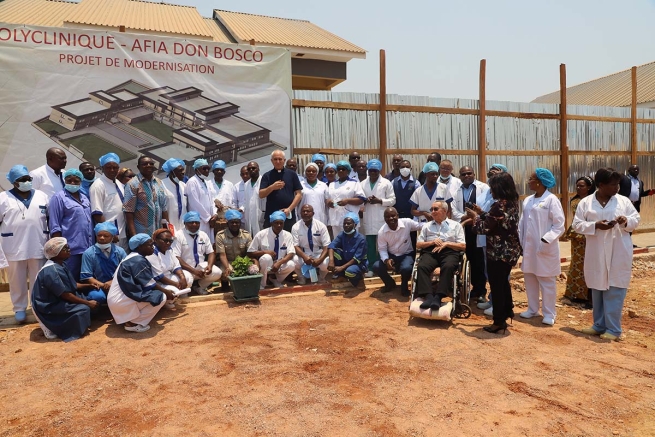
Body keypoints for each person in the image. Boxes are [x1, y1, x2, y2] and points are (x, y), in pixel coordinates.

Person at [573, 167, 640, 341]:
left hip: (618, 251)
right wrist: (595, 225)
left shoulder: (623, 201)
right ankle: (599, 325)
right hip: (596, 252)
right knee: (597, 289)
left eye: (618, 184)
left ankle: (614, 329)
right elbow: (577, 224)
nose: (617, 188)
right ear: (600, 185)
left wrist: (626, 221)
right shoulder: (586, 203)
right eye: (613, 184)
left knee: (615, 290)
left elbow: (636, 219)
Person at [467, 173, 522, 334]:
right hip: (510, 250)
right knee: (503, 282)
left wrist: (475, 217)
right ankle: (507, 310)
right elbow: (497, 221)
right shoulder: (512, 203)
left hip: (498, 252)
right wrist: (483, 213)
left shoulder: (499, 205)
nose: (490, 191)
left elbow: (482, 229)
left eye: (492, 187)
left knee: (497, 286)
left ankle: (499, 321)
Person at [0, 165, 49, 323]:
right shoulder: (3, 198)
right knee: (16, 280)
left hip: (38, 243)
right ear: (14, 182)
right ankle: (19, 308)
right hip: (14, 245)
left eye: (28, 179)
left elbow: (48, 218)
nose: (27, 182)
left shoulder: (41, 195)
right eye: (22, 180)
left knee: (38, 279)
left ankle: (37, 307)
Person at [519, 168, 565, 326]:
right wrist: (521, 242)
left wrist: (547, 239)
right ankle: (532, 309)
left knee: (546, 281)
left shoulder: (552, 200)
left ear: (539, 182)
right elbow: (522, 223)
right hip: (529, 248)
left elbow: (559, 225)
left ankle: (549, 313)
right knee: (530, 277)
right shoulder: (528, 200)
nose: (529, 181)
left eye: (531, 179)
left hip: (545, 247)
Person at [31, 238, 100, 341]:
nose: (69, 249)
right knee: (83, 309)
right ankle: (53, 328)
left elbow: (72, 284)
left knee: (89, 299)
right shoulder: (52, 270)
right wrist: (88, 303)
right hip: (48, 306)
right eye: (65, 248)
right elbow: (65, 294)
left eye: (68, 247)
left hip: (59, 299)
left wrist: (89, 286)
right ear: (56, 252)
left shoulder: (61, 264)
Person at [107, 234, 175, 333]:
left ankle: (127, 318)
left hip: (119, 299)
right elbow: (150, 285)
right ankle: (133, 323)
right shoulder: (137, 260)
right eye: (150, 245)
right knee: (161, 297)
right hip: (120, 300)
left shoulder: (132, 257)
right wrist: (167, 292)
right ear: (139, 247)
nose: (153, 247)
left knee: (156, 294)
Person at [415, 200, 466, 309]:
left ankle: (438, 297)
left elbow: (463, 246)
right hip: (431, 251)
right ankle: (428, 296)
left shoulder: (456, 225)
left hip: (449, 251)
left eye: (435, 209)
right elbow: (418, 244)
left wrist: (447, 243)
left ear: (445, 211)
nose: (432, 212)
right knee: (422, 266)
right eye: (431, 209)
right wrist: (431, 242)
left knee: (448, 267)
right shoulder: (426, 226)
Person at [451, 166, 489, 301]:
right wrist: (465, 218)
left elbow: (486, 207)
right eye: (463, 174)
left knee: (479, 259)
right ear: (459, 176)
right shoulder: (456, 191)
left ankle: (481, 290)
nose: (466, 176)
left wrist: (474, 218)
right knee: (469, 257)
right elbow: (454, 211)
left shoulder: (483, 188)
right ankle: (472, 288)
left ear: (474, 174)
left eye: (469, 173)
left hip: (479, 228)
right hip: (464, 229)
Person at [474, 163, 508, 310]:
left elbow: (495, 217)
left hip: (497, 239)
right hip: (484, 237)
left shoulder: (505, 195)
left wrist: (479, 216)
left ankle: (499, 303)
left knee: (500, 273)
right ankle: (492, 299)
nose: (492, 176)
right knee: (489, 270)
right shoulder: (485, 192)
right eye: (490, 173)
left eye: (496, 173)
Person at [49, 168, 93, 281]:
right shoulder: (58, 197)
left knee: (85, 278)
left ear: (81, 182)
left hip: (87, 247)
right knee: (69, 280)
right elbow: (55, 224)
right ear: (65, 181)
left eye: (76, 181)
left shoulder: (84, 197)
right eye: (69, 180)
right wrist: (60, 248)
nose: (72, 183)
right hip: (70, 249)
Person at [372, 207, 422, 295]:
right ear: (384, 219)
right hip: (392, 256)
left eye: (393, 216)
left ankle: (404, 285)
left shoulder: (407, 222)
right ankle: (389, 283)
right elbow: (382, 249)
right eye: (387, 217)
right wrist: (386, 260)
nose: (391, 218)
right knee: (376, 266)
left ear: (397, 216)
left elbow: (420, 226)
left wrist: (433, 222)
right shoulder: (382, 232)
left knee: (406, 268)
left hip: (406, 254)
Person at [563, 176, 596, 305]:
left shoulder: (594, 201)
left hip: (591, 235)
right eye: (577, 185)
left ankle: (590, 295)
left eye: (582, 186)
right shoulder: (575, 200)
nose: (578, 188)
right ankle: (575, 293)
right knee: (576, 265)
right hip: (577, 237)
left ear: (589, 187)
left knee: (590, 265)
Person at [172, 211, 222, 295]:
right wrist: (194, 271)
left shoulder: (203, 235)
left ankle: (198, 287)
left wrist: (209, 266)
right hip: (185, 269)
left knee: (217, 272)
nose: (194, 224)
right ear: (185, 223)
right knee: (187, 279)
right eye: (191, 222)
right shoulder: (178, 236)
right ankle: (186, 290)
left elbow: (211, 253)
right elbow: (177, 257)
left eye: (197, 222)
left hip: (200, 268)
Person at [361, 159, 396, 273]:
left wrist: (379, 201)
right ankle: (371, 267)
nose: (373, 173)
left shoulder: (386, 183)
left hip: (382, 218)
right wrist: (365, 200)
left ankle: (387, 266)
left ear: (379, 170)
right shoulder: (362, 184)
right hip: (368, 218)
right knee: (370, 245)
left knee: (385, 244)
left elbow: (393, 200)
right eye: (371, 170)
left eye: (375, 171)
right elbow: (359, 199)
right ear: (368, 170)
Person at [248, 211, 296, 289]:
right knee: (266, 257)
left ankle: (276, 280)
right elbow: (250, 252)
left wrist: (279, 262)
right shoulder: (261, 234)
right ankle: (262, 284)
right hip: (266, 265)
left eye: (281, 223)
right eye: (276, 223)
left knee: (291, 264)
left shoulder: (288, 235)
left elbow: (291, 253)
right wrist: (264, 252)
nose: (279, 225)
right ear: (271, 223)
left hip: (279, 265)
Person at [123, 156, 168, 238]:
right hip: (142, 233)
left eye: (151, 164)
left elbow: (164, 208)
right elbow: (129, 211)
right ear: (138, 167)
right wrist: (134, 235)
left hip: (158, 232)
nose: (148, 165)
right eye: (145, 164)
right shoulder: (133, 184)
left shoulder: (158, 182)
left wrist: (166, 230)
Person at [89, 153, 128, 249]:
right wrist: (108, 232)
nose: (112, 170)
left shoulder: (118, 182)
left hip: (123, 233)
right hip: (111, 235)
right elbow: (97, 213)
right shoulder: (98, 185)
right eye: (108, 167)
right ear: (102, 168)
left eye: (115, 167)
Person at [147, 228, 191, 310]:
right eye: (165, 240)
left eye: (170, 241)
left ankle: (175, 297)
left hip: (168, 276)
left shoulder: (169, 249)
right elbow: (159, 277)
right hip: (157, 283)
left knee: (188, 277)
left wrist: (182, 277)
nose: (168, 243)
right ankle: (167, 303)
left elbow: (176, 265)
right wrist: (176, 284)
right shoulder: (152, 252)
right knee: (174, 291)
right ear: (155, 240)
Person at [259, 150, 303, 231]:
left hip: (287, 215)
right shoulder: (267, 176)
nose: (278, 161)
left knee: (288, 240)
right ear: (271, 161)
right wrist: (272, 187)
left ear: (284, 160)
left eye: (280, 159)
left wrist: (289, 209)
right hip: (271, 215)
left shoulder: (292, 174)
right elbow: (261, 195)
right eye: (275, 159)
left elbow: (299, 194)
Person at [80, 222, 127, 297]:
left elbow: (126, 272)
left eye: (106, 236)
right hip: (98, 286)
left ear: (112, 237)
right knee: (97, 296)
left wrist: (112, 283)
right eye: (99, 235)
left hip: (118, 284)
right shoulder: (88, 253)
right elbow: (87, 277)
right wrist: (104, 285)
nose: (102, 238)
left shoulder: (120, 252)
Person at [292, 204, 331, 284]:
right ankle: (301, 278)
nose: (305, 213)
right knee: (294, 261)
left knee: (326, 263)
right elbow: (295, 246)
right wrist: (305, 257)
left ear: (313, 213)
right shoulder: (295, 227)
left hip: (318, 253)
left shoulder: (321, 226)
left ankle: (321, 278)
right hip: (304, 253)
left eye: (308, 211)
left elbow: (326, 245)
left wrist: (320, 259)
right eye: (303, 211)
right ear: (300, 213)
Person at [327, 212, 368, 289]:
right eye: (344, 223)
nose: (346, 225)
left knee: (350, 272)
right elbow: (331, 246)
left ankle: (359, 280)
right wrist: (331, 261)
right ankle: (341, 276)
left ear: (355, 225)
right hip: (346, 260)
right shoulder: (342, 234)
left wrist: (341, 267)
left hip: (359, 264)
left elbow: (356, 259)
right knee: (334, 252)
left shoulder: (361, 239)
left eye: (348, 223)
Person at [326, 161, 366, 235]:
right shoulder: (332, 184)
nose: (341, 171)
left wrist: (348, 201)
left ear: (348, 170)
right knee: (338, 243)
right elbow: (327, 198)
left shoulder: (354, 183)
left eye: (343, 169)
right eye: (339, 169)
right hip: (335, 219)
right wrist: (329, 202)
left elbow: (361, 199)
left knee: (351, 242)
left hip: (350, 219)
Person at [215, 209, 255, 279]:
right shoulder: (220, 235)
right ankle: (225, 284)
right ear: (227, 224)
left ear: (240, 223)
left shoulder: (246, 235)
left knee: (253, 270)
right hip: (227, 262)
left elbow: (250, 253)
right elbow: (222, 255)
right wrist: (227, 267)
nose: (234, 224)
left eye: (237, 222)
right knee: (226, 271)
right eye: (232, 222)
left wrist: (249, 264)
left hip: (242, 262)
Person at [185, 158, 218, 243]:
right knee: (199, 243)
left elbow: (212, 200)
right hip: (199, 220)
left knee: (208, 244)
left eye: (208, 168)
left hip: (210, 220)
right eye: (204, 168)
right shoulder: (192, 182)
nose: (207, 170)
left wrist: (214, 214)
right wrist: (208, 218)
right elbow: (194, 203)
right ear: (197, 169)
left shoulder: (206, 182)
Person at [160, 158, 187, 235]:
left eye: (183, 170)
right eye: (180, 171)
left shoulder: (183, 186)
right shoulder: (162, 185)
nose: (183, 173)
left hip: (183, 228)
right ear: (172, 172)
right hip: (168, 228)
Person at [211, 159, 235, 227]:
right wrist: (214, 202)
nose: (219, 171)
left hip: (226, 218)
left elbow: (233, 201)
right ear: (213, 171)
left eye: (221, 170)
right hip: (213, 216)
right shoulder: (208, 184)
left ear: (224, 172)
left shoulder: (229, 184)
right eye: (217, 169)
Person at [243, 161, 264, 235]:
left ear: (258, 169)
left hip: (260, 215)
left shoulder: (263, 182)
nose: (251, 170)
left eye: (253, 168)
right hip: (249, 216)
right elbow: (246, 201)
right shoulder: (246, 184)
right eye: (249, 169)